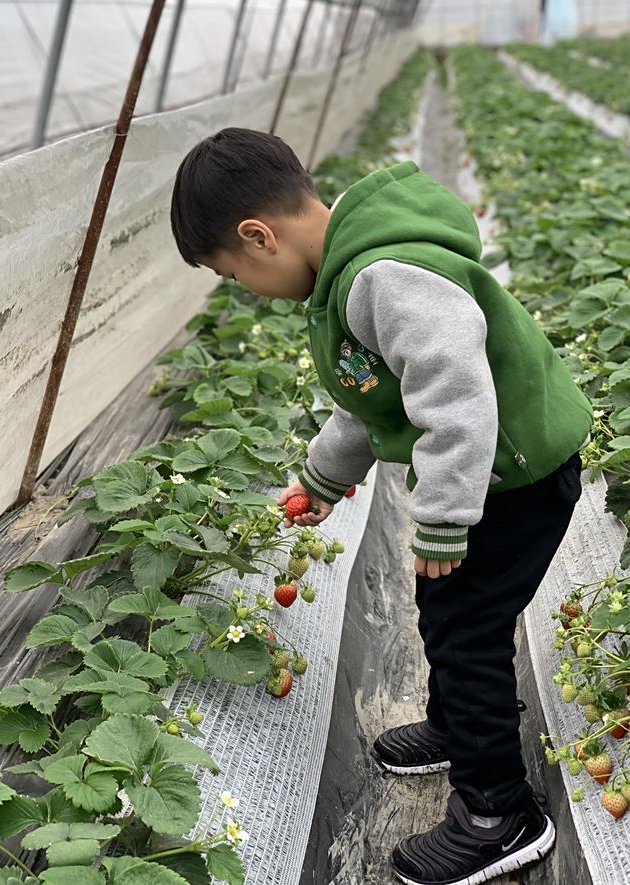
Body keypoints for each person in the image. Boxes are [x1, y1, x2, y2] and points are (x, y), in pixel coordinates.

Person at [170, 127, 592, 885]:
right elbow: (370, 399)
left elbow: (459, 400)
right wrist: (323, 480)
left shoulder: (383, 276)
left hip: (514, 479)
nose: (245, 291)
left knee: (471, 630)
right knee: (445, 608)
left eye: (235, 275)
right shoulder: (348, 275)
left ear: (258, 236)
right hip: (490, 478)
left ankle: (501, 812)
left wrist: (443, 516)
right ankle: (460, 725)